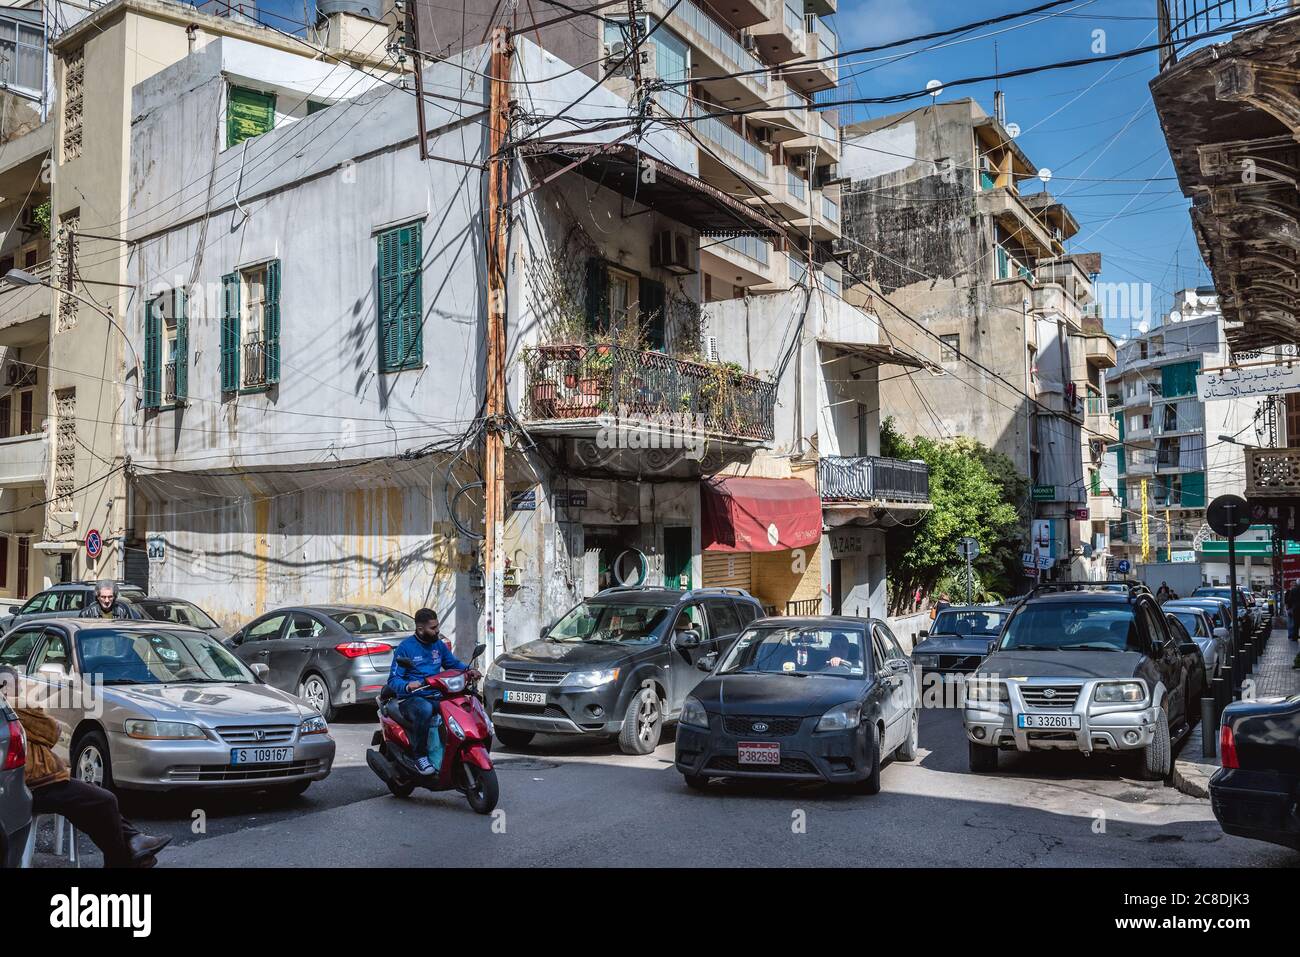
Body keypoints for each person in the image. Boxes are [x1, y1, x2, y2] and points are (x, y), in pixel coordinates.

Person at [0, 668, 169, 868]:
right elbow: (52, 733)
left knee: (91, 804)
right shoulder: (14, 709)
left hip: (41, 781)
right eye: (14, 685)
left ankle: (133, 844)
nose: (19, 689)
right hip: (35, 785)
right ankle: (126, 855)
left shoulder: (11, 709)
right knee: (105, 800)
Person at [385, 609, 477, 775]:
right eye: (433, 628)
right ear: (420, 629)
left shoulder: (438, 645)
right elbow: (393, 680)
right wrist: (408, 686)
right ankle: (420, 756)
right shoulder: (405, 648)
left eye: (437, 626)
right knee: (426, 709)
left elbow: (452, 663)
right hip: (413, 699)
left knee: (461, 706)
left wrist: (469, 670)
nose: (437, 631)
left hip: (437, 694)